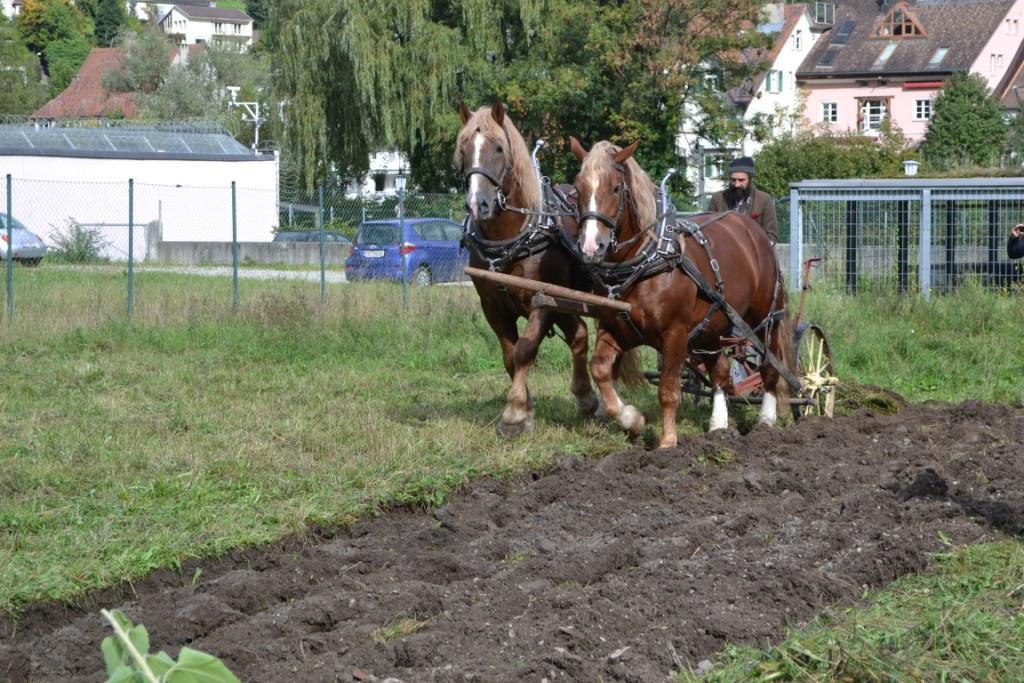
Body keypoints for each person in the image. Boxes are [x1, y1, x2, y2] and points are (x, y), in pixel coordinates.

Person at [708, 156, 778, 244]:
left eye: (741, 180)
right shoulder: (718, 198)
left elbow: (771, 235)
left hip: (754, 252)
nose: (737, 184)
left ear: (750, 179)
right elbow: (709, 229)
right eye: (733, 180)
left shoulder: (764, 200)